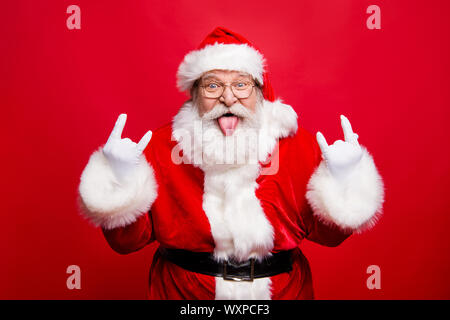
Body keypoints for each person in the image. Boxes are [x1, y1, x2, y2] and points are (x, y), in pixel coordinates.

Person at [78, 27, 384, 300]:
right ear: (195, 94)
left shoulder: (298, 146)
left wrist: (342, 182)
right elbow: (126, 243)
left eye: (241, 85)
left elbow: (329, 238)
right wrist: (119, 181)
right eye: (213, 86)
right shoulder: (160, 146)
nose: (228, 97)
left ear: (260, 92)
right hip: (184, 295)